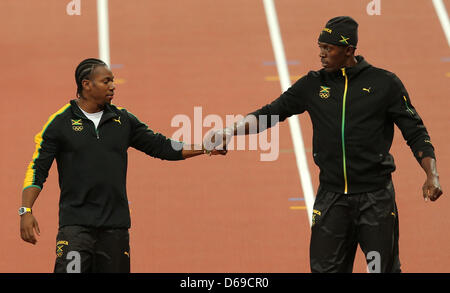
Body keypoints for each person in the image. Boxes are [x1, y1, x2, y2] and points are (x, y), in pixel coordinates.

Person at [208, 16, 443, 273]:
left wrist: (431, 174)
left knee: (381, 270)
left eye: (328, 49)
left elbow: (416, 132)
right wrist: (230, 131)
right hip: (332, 200)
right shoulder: (312, 85)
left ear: (349, 50)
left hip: (375, 201)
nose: (321, 54)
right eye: (320, 47)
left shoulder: (384, 84)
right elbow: (270, 113)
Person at [19, 58, 226, 273]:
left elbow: (161, 146)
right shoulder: (59, 124)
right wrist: (26, 210)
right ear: (86, 84)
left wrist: (204, 147)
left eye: (113, 81)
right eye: (106, 81)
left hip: (115, 228)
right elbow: (37, 170)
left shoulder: (123, 120)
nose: (113, 86)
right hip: (75, 229)